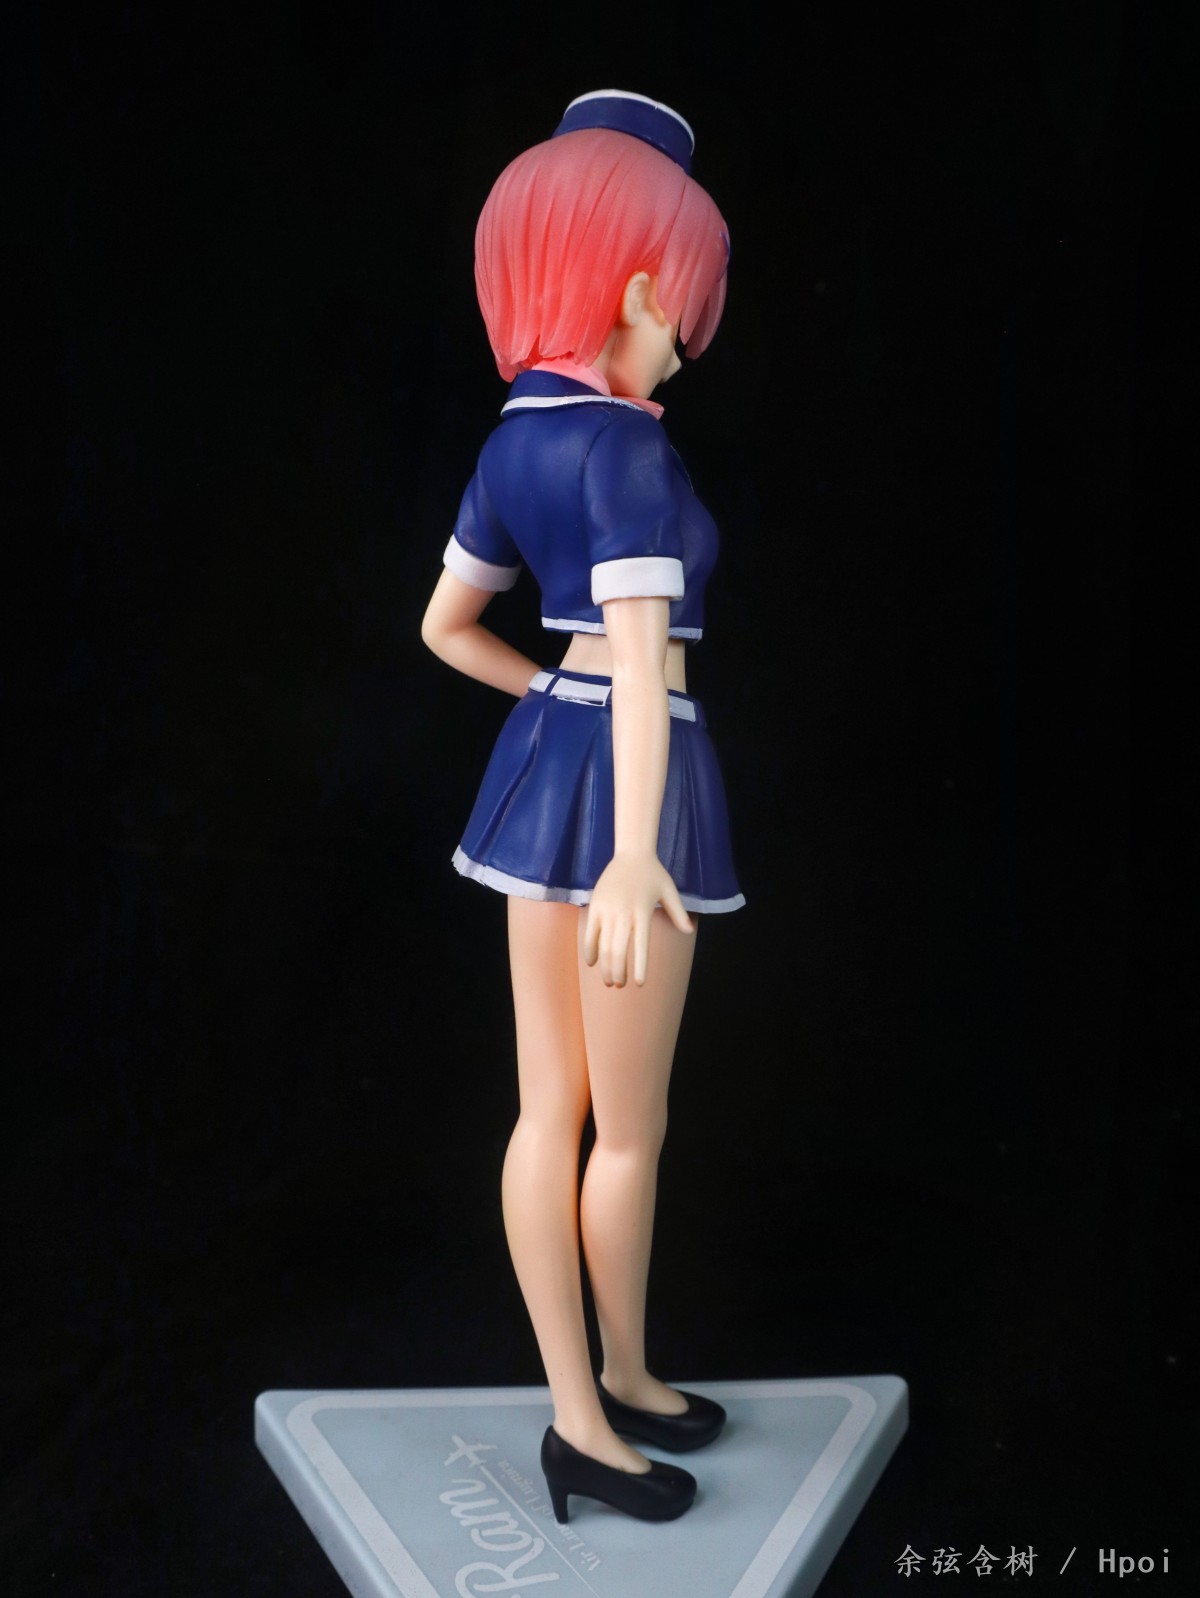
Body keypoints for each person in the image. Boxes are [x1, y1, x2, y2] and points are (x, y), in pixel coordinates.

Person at [421, 90, 743, 1524]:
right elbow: (636, 654)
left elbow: (445, 628)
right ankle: (599, 1402)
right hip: (632, 782)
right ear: (633, 282)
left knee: (548, 1107)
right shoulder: (627, 450)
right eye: (682, 299)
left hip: (548, 763)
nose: (688, 332)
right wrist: (629, 849)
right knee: (626, 1127)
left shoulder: (514, 440)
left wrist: (544, 707)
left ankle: (603, 1389)